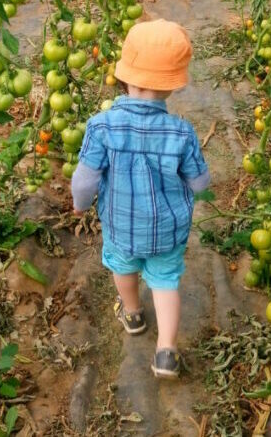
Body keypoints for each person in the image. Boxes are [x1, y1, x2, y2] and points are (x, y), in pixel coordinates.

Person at [71, 19, 210, 379]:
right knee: (165, 281)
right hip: (167, 228)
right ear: (172, 87)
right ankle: (166, 351)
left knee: (124, 268)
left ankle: (132, 313)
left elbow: (85, 179)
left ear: (124, 76)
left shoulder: (101, 126)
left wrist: (80, 204)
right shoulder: (181, 132)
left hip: (121, 224)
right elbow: (200, 183)